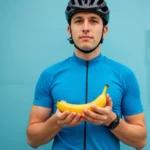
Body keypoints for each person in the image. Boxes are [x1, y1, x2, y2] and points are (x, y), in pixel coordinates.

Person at [26, 0, 147, 150]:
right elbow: (32, 140)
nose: (85, 28)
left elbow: (140, 141)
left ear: (105, 30)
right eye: (78, 21)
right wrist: (56, 122)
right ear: (69, 30)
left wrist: (111, 120)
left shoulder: (125, 75)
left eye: (93, 21)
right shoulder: (49, 75)